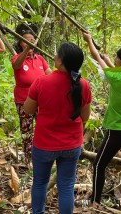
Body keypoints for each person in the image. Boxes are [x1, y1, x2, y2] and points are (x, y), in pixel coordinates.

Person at [23, 42, 92, 214]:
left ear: (61, 62)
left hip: (44, 143)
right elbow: (85, 117)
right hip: (71, 144)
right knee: (67, 185)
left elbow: (27, 109)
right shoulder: (84, 85)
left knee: (40, 182)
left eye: (57, 54)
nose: (54, 56)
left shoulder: (42, 81)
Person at [82, 33, 121, 212]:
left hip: (118, 131)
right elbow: (119, 73)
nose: (115, 59)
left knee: (99, 165)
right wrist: (110, 61)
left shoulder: (115, 78)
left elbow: (95, 56)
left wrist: (89, 41)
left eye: (118, 57)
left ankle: (95, 201)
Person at [12, 24, 52, 161]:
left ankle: (43, 151)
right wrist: (26, 50)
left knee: (43, 125)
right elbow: (16, 65)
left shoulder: (40, 59)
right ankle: (28, 155)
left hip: (41, 100)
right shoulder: (17, 57)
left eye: (32, 39)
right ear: (20, 43)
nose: (30, 42)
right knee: (26, 129)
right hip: (23, 100)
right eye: (26, 40)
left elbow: (50, 75)